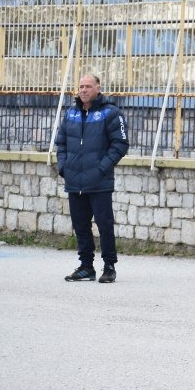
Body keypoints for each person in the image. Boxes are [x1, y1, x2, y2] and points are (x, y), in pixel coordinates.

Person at [57, 74, 129, 284]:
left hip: (99, 181)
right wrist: (63, 167)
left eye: (88, 86)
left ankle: (109, 266)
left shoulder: (111, 112)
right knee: (80, 225)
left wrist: (102, 168)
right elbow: (61, 143)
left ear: (98, 89)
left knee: (104, 225)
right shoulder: (71, 113)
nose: (83, 90)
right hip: (74, 181)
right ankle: (86, 267)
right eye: (81, 86)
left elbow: (121, 144)